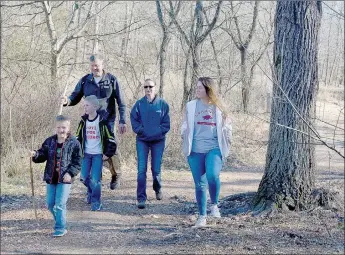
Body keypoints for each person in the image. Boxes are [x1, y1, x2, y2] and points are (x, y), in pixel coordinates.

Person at [61, 54, 126, 190]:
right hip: (90, 120)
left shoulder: (112, 80)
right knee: (90, 147)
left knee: (110, 146)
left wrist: (122, 120)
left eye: (97, 65)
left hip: (107, 120)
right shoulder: (85, 81)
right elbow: (75, 96)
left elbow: (121, 102)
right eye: (92, 66)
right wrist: (67, 101)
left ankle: (116, 174)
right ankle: (94, 179)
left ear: (102, 65)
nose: (94, 68)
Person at [181, 77, 232, 228]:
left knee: (212, 175)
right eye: (196, 87)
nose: (197, 90)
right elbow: (185, 123)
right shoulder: (190, 106)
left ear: (208, 90)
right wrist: (183, 132)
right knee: (200, 184)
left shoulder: (219, 108)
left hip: (214, 148)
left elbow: (228, 126)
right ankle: (201, 216)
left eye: (200, 88)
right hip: (195, 149)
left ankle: (214, 205)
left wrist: (228, 131)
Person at [29, 115, 82, 237]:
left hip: (65, 179)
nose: (61, 130)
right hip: (51, 178)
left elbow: (78, 161)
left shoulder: (74, 143)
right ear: (55, 128)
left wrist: (70, 173)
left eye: (64, 127)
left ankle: (60, 228)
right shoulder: (50, 141)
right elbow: (42, 155)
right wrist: (35, 154)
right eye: (59, 127)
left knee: (60, 204)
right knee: (50, 204)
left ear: (68, 128)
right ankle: (60, 219)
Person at [130, 79, 170, 209]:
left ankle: (157, 188)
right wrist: (141, 131)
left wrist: (158, 132)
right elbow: (134, 120)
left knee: (156, 169)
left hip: (158, 141)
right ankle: (141, 198)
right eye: (146, 87)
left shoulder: (163, 104)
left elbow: (166, 124)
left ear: (155, 87)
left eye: (150, 86)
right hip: (142, 140)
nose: (148, 89)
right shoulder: (139, 104)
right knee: (141, 170)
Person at [76, 95, 117, 211]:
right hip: (86, 154)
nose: (85, 107)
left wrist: (108, 153)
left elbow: (111, 139)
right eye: (84, 105)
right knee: (83, 178)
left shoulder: (102, 122)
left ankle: (96, 201)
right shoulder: (83, 122)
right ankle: (91, 191)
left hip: (98, 155)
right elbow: (77, 137)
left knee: (95, 179)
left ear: (95, 106)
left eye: (87, 105)